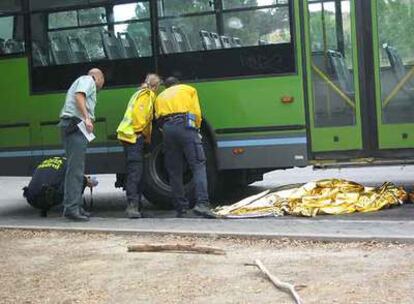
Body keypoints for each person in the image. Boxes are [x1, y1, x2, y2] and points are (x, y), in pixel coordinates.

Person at [154, 77, 215, 218]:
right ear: (178, 84)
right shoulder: (188, 89)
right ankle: (202, 204)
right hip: (186, 126)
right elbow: (196, 113)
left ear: (166, 87)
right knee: (198, 165)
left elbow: (158, 118)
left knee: (174, 170)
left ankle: (180, 208)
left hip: (168, 129)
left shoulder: (160, 97)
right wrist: (197, 130)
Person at [58, 68, 105, 221]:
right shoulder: (88, 80)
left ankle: (74, 206)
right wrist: (87, 118)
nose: (100, 87)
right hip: (75, 125)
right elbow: (79, 96)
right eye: (102, 83)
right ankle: (72, 209)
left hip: (75, 126)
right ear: (99, 78)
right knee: (75, 170)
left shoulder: (84, 81)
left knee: (75, 169)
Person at [117, 74, 161, 218]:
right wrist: (139, 133)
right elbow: (139, 115)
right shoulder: (147, 94)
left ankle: (137, 207)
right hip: (133, 137)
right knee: (135, 172)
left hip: (130, 137)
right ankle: (132, 206)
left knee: (138, 172)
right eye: (158, 87)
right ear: (154, 86)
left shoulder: (140, 93)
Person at [23, 156, 98, 217]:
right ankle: (77, 209)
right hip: (47, 198)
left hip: (31, 199)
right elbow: (78, 177)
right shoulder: (69, 163)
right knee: (81, 180)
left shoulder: (47, 161)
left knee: (50, 184)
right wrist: (88, 181)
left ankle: (43, 210)